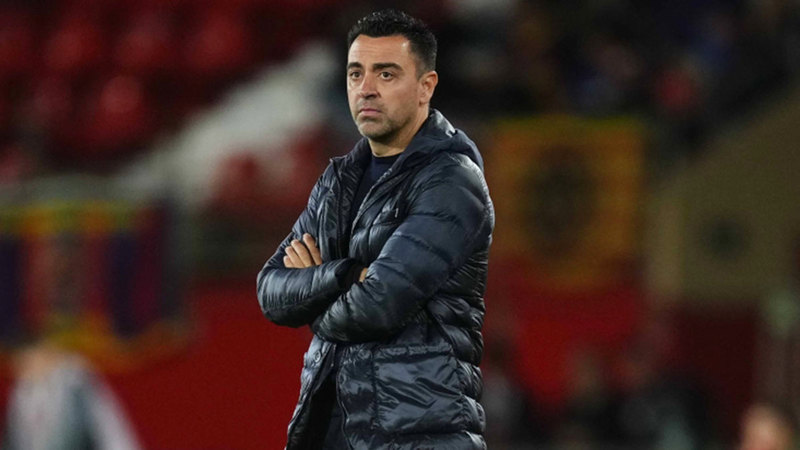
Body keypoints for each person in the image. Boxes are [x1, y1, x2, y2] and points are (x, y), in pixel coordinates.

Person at [256, 9, 494, 449]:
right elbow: (270, 290)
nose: (366, 88)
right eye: (356, 73)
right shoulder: (337, 181)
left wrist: (314, 294)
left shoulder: (452, 182)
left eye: (386, 74)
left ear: (426, 87)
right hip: (332, 430)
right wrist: (346, 275)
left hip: (420, 436)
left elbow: (377, 306)